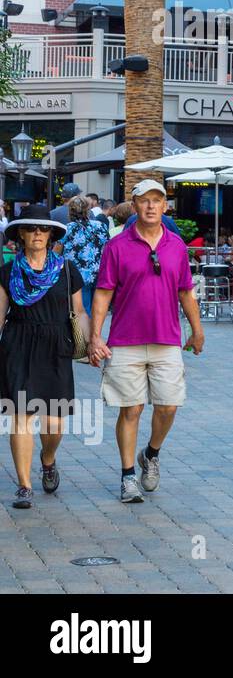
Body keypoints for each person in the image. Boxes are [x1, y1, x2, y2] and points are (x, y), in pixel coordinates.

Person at [88, 179, 204, 504]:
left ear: (165, 206)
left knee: (168, 406)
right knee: (131, 409)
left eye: (157, 200)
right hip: (125, 340)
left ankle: (151, 453)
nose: (151, 206)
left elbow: (185, 291)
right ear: (135, 205)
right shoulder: (116, 246)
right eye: (144, 200)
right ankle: (127, 477)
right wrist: (95, 336)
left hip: (167, 338)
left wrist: (197, 330)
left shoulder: (177, 246)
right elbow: (103, 293)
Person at [0, 205, 90, 508]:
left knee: (54, 423)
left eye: (43, 229)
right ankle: (24, 486)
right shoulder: (7, 272)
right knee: (21, 418)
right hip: (18, 344)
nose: (37, 233)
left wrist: (91, 343)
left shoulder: (66, 269)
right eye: (30, 229)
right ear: (21, 234)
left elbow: (79, 312)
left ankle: (48, 459)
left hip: (56, 346)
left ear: (51, 234)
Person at [57, 195, 109, 315]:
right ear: (88, 209)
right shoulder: (100, 226)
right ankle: (93, 333)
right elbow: (108, 248)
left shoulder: (67, 229)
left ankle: (83, 334)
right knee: (97, 309)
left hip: (76, 275)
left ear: (70, 211)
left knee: (82, 311)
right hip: (99, 272)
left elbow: (56, 252)